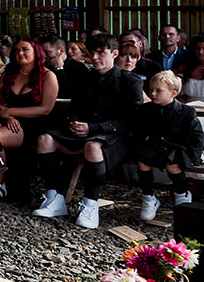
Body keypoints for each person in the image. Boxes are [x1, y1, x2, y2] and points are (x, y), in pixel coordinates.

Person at [33, 34, 144, 230]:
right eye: (92, 53)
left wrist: (93, 128)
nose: (95, 58)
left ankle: (91, 205)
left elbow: (131, 121)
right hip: (84, 129)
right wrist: (74, 122)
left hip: (115, 135)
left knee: (92, 146)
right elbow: (75, 107)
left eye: (101, 53)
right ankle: (55, 198)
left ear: (114, 53)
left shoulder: (130, 81)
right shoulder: (85, 78)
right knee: (45, 139)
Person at [0, 39, 58, 201]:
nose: (20, 53)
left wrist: (11, 111)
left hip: (32, 123)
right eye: (17, 50)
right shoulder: (9, 73)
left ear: (36, 52)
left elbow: (45, 109)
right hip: (7, 119)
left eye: (25, 49)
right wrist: (8, 115)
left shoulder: (48, 76)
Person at [133, 71, 202, 220]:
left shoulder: (186, 111)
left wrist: (194, 157)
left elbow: (196, 135)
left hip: (176, 148)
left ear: (173, 93)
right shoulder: (146, 110)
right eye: (151, 89)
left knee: (173, 164)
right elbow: (139, 131)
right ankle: (149, 197)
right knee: (143, 162)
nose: (153, 93)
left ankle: (182, 192)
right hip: (155, 147)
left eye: (158, 91)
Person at [177, 33, 204, 103]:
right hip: (188, 107)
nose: (201, 52)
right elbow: (176, 92)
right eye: (198, 49)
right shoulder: (184, 67)